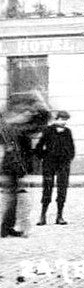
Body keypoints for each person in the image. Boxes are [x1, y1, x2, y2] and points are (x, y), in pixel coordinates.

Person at [1, 96, 49, 239]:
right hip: (12, 166)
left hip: (14, 166)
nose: (26, 114)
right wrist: (39, 106)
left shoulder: (12, 126)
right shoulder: (14, 127)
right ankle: (5, 228)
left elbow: (39, 125)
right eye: (23, 112)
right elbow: (40, 123)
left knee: (13, 198)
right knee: (12, 198)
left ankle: (7, 227)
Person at [34, 110, 74, 226]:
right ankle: (43, 216)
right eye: (61, 119)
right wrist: (44, 157)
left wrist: (68, 159)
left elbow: (71, 148)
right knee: (47, 188)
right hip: (49, 164)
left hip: (63, 164)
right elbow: (39, 147)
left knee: (62, 189)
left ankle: (59, 216)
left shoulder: (67, 132)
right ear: (56, 119)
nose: (63, 122)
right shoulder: (48, 131)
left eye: (65, 120)